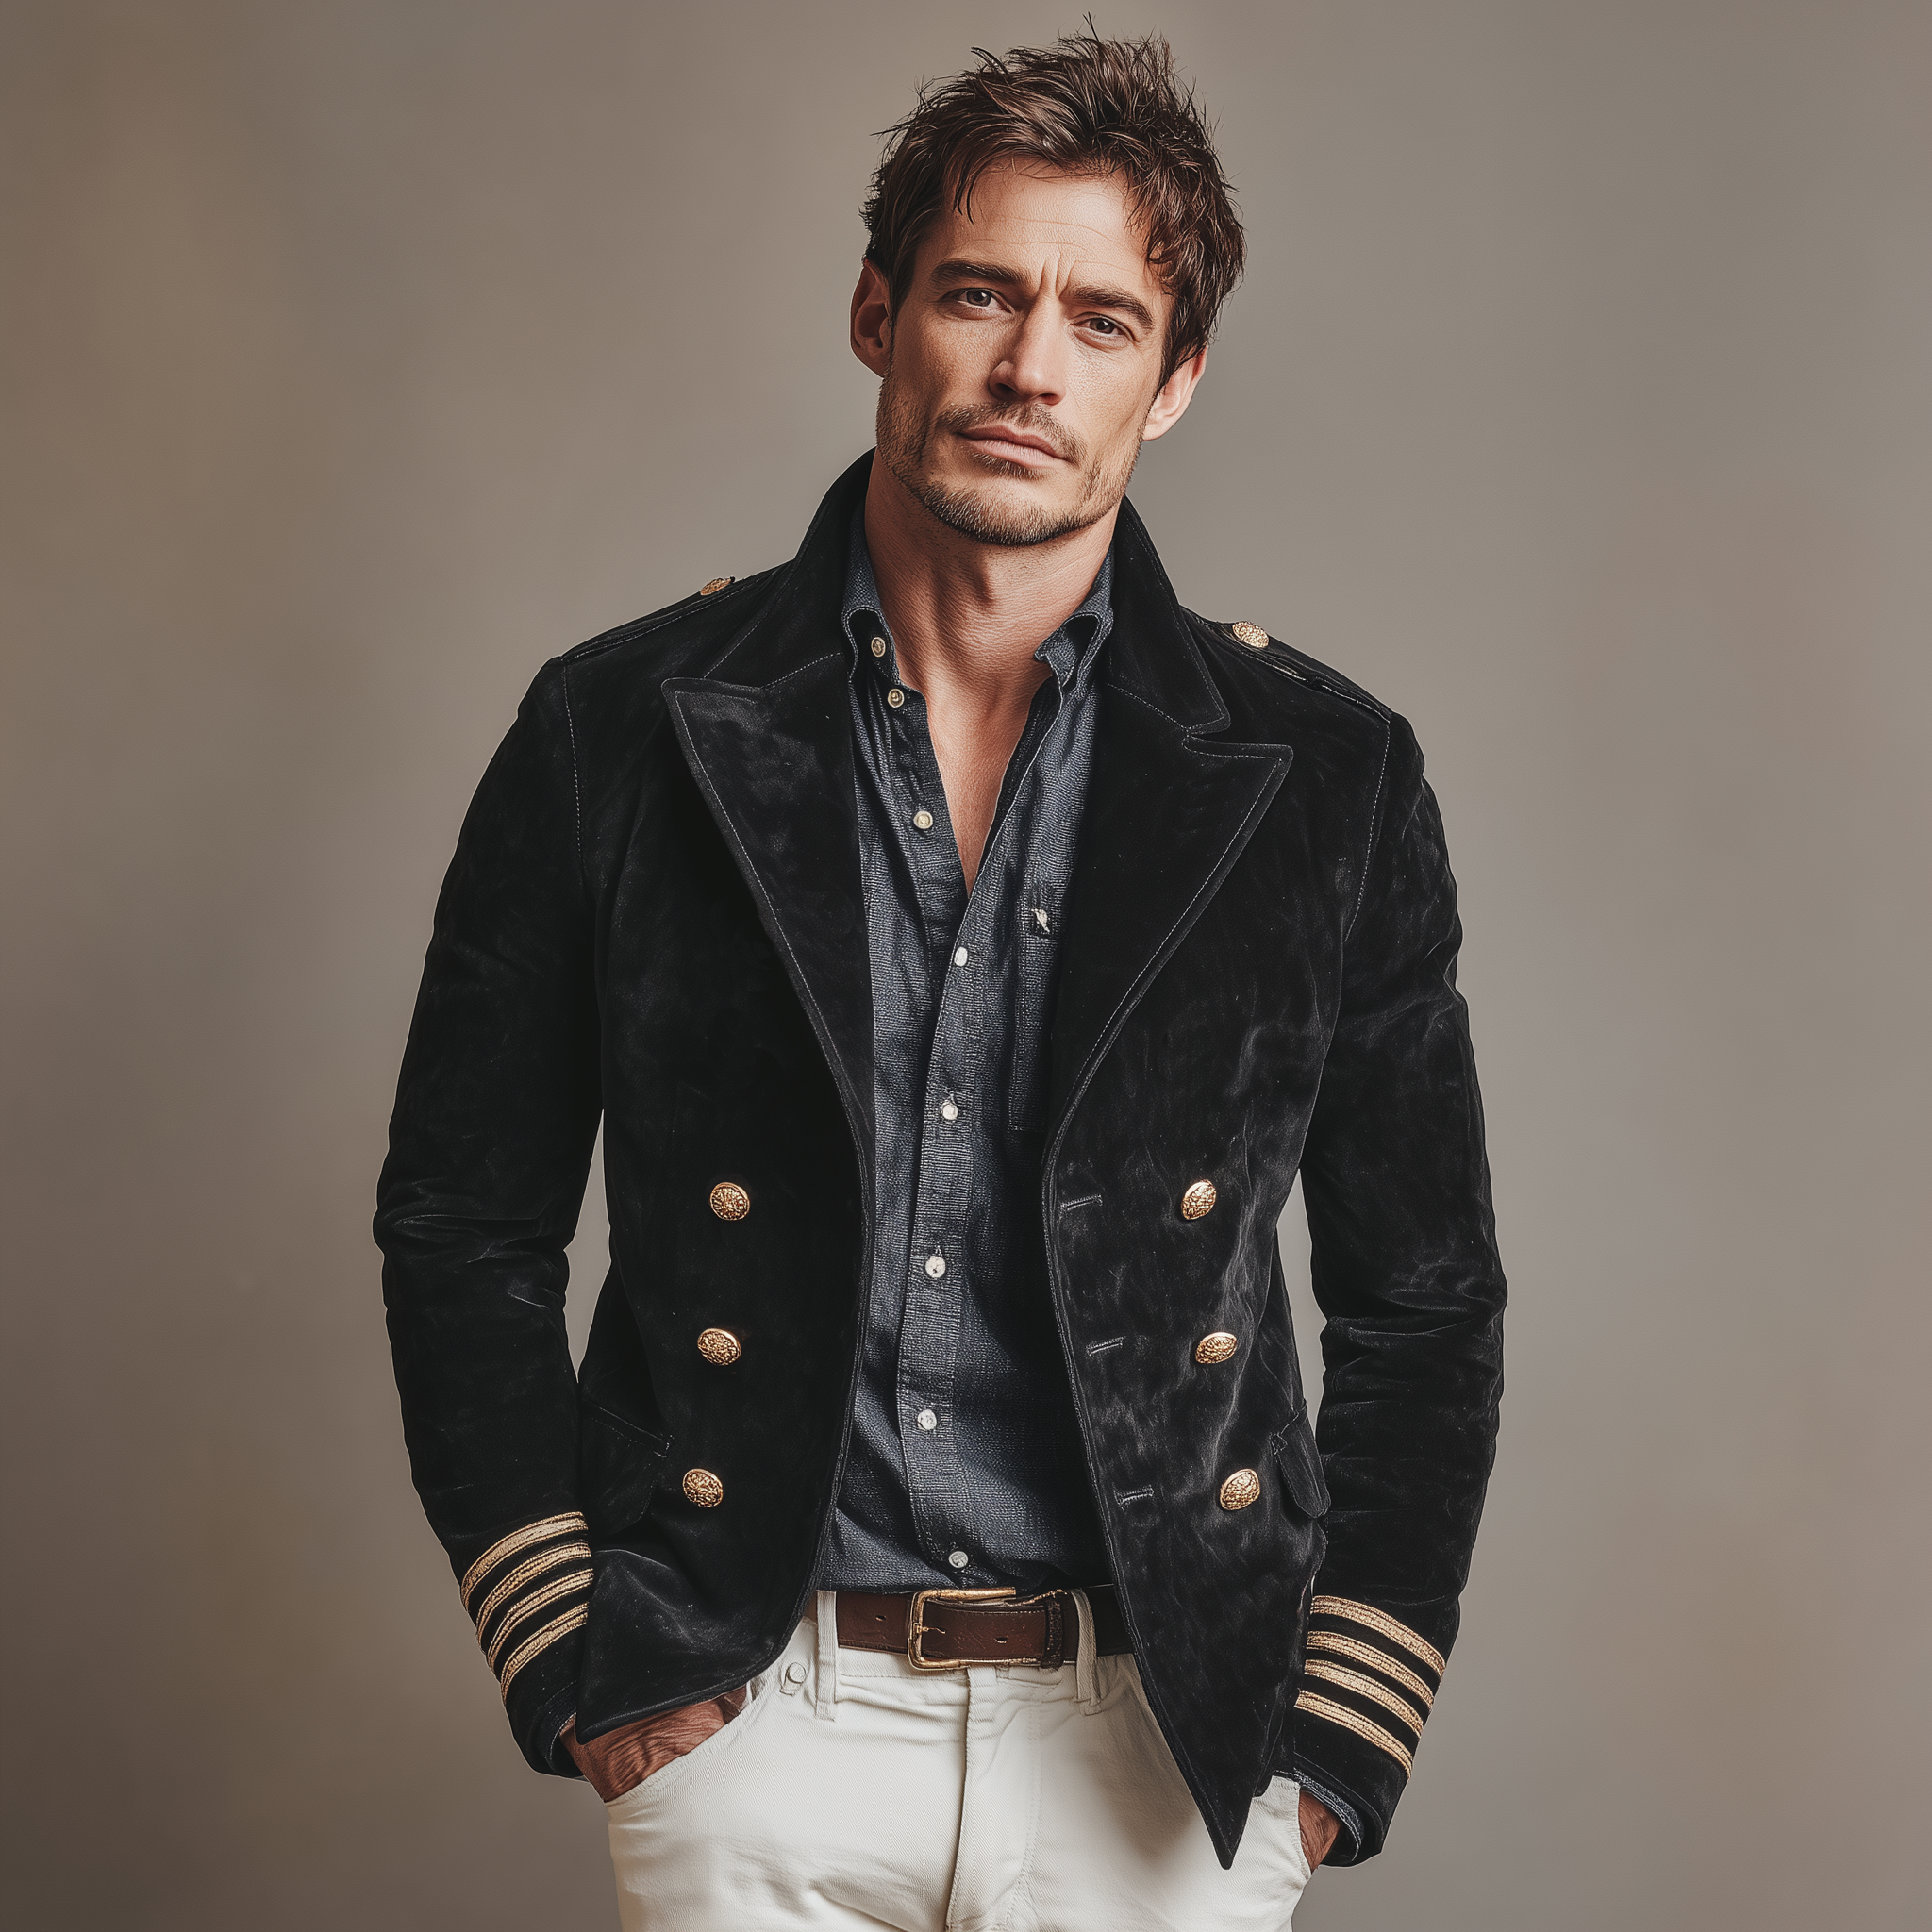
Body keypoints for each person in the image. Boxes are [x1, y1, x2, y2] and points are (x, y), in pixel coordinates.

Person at [376, 30, 1506, 1931]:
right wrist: (576, 1645)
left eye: (1102, 320)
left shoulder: (1326, 777)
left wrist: (1327, 1753)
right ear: (875, 313)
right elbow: (460, 1222)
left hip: (1169, 1751)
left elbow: (1426, 1300)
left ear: (1173, 381)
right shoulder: (617, 727)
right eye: (980, 294)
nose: (1029, 367)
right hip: (749, 1714)